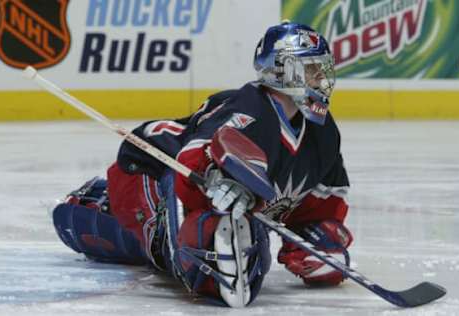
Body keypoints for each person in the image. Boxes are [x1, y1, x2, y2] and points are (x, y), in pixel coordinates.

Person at [52, 21, 353, 307]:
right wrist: (214, 173)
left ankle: (108, 206)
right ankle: (92, 204)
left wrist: (317, 242)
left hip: (180, 184)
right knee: (194, 248)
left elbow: (321, 205)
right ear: (281, 70)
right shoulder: (249, 109)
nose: (322, 79)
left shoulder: (323, 134)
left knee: (240, 245)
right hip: (151, 169)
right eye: (311, 70)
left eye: (323, 69)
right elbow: (193, 156)